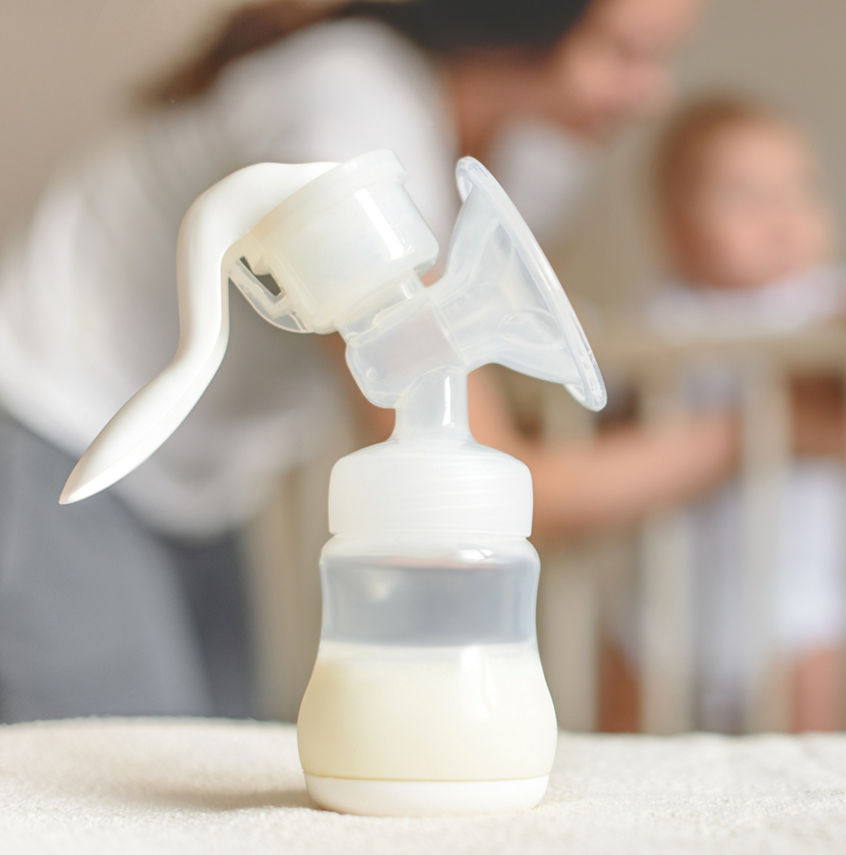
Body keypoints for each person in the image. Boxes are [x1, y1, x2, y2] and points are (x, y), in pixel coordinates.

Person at [0, 0, 729, 723]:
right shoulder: (350, 101)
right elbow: (459, 443)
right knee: (117, 772)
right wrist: (740, 435)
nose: (652, 94)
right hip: (48, 425)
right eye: (624, 54)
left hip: (199, 478)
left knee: (207, 749)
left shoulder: (532, 158)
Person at [600, 96, 846, 732]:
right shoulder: (658, 319)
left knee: (809, 756)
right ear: (674, 226)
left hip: (795, 603)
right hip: (666, 595)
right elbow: (601, 410)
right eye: (743, 197)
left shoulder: (827, 309)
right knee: (628, 742)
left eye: (801, 190)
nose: (781, 218)